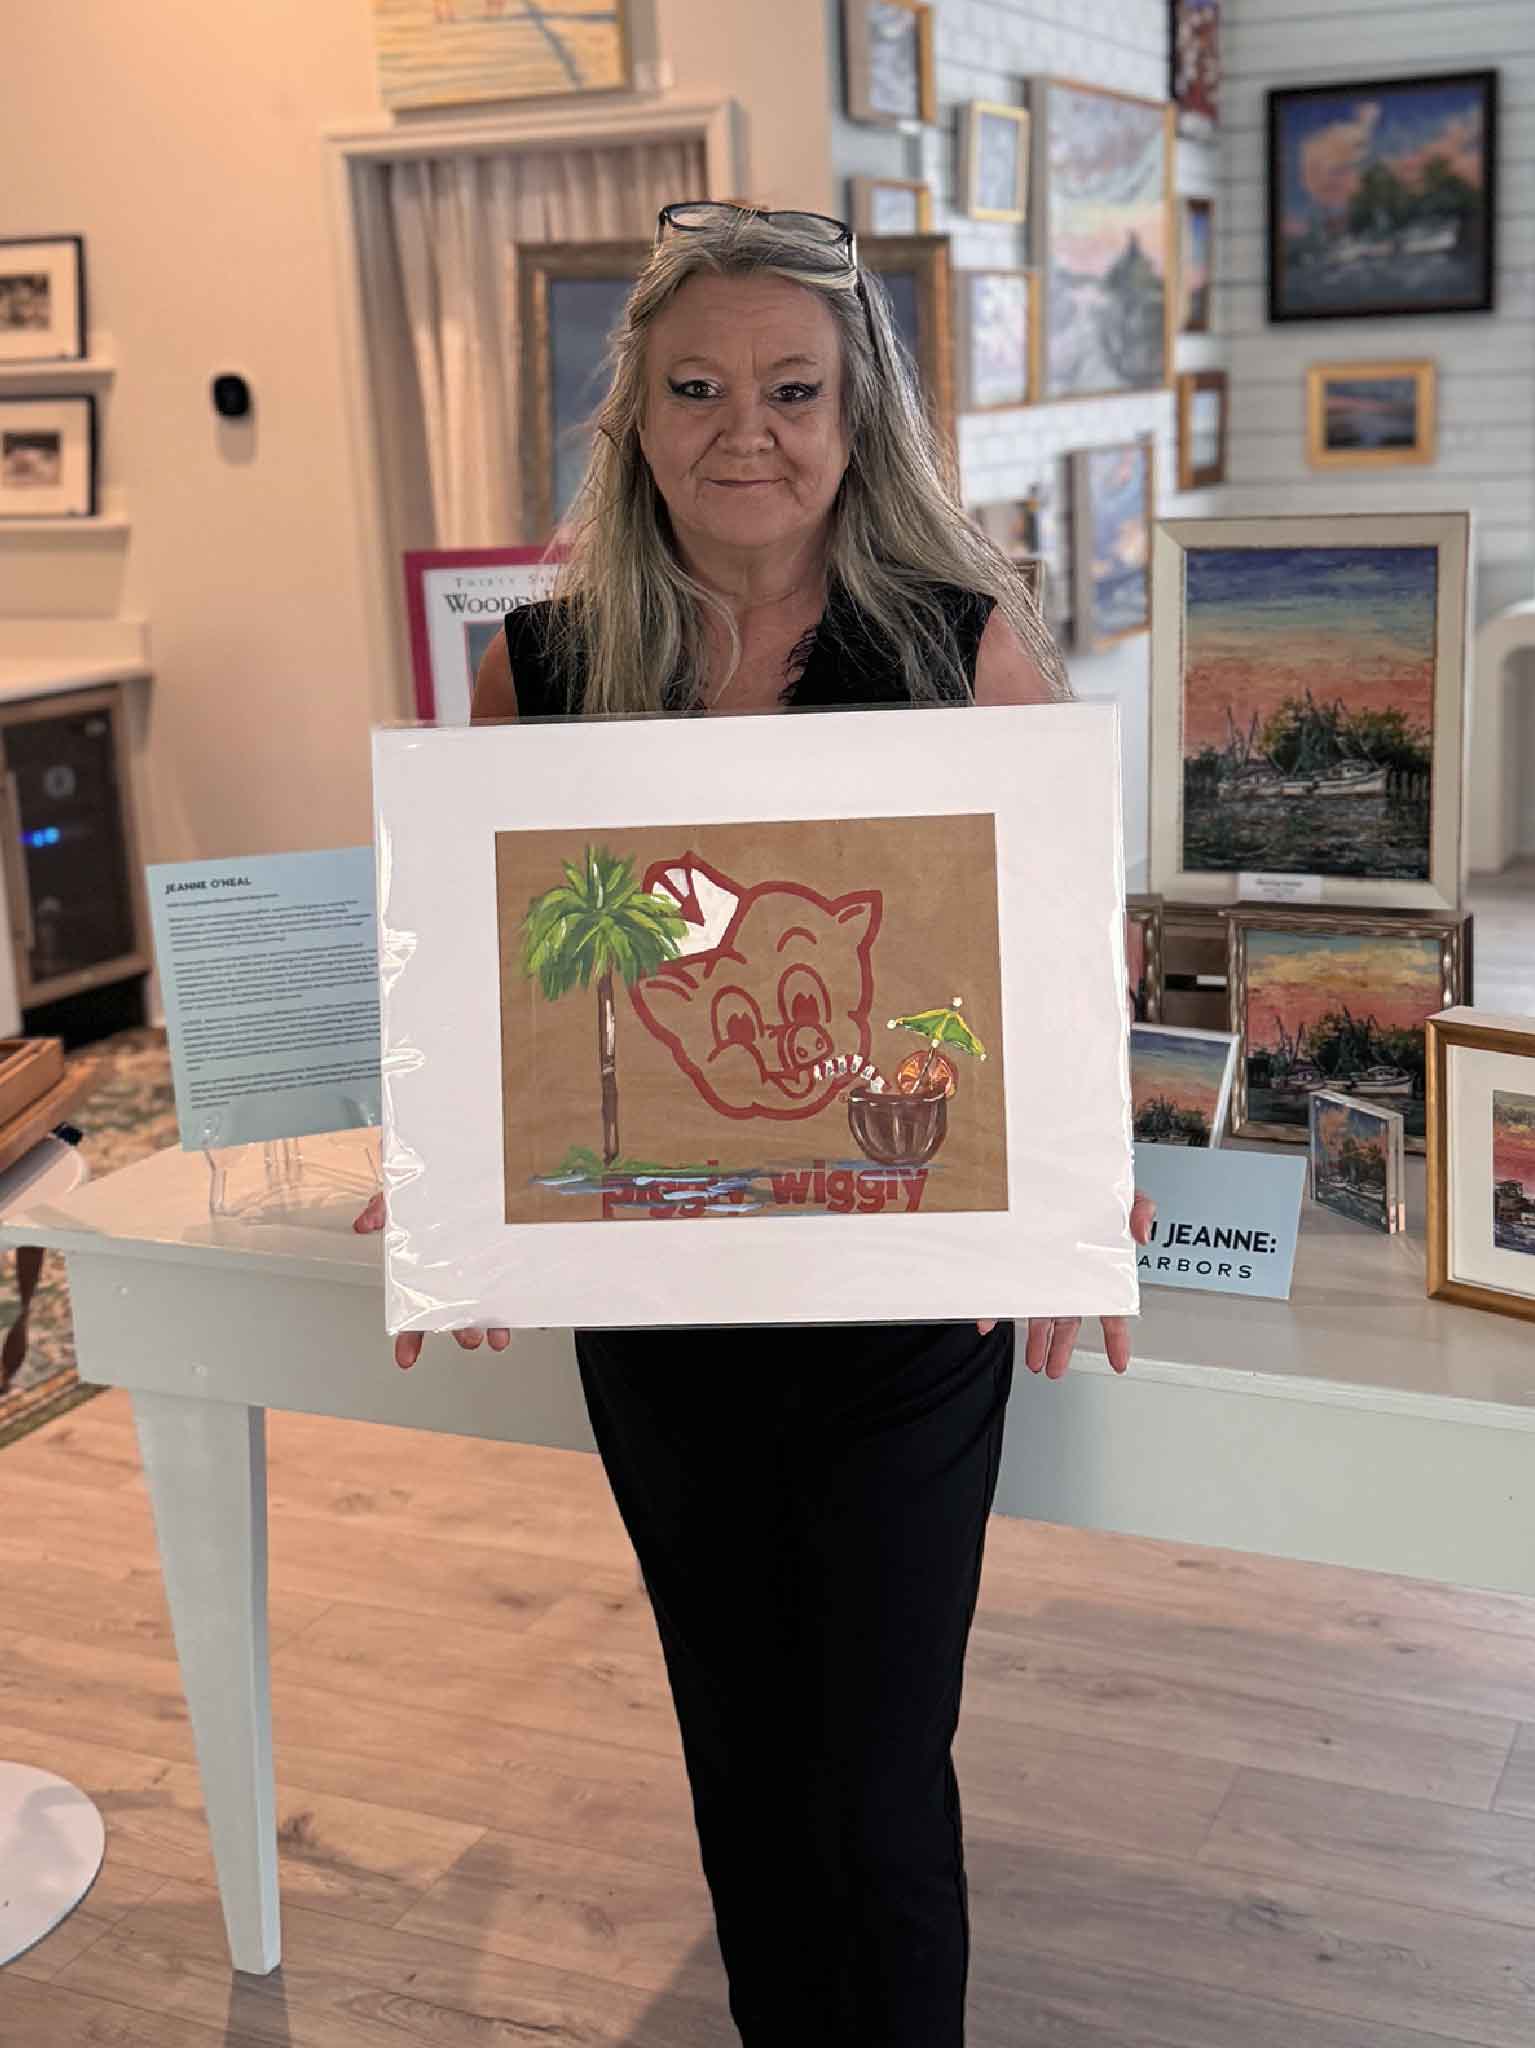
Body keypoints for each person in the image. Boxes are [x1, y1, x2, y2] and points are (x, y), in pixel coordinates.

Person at [355, 201, 1150, 2046]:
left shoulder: (961, 649)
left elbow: (1059, 963)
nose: (746, 430)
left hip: (900, 1318)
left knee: (875, 1781)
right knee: (736, 1749)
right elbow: (472, 969)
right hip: (662, 1328)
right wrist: (445, 1204)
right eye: (697, 387)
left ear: (857, 417)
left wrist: (1076, 1213)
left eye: (793, 390)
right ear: (633, 418)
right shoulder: (537, 671)